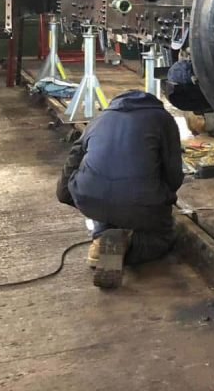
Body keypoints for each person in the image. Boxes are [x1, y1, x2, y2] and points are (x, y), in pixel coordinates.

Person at [57, 89, 183, 289]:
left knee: (107, 204)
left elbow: (75, 154)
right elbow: (174, 172)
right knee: (164, 235)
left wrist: (67, 193)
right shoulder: (162, 119)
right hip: (138, 200)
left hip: (89, 198)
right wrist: (165, 197)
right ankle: (128, 244)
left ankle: (102, 238)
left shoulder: (100, 118)